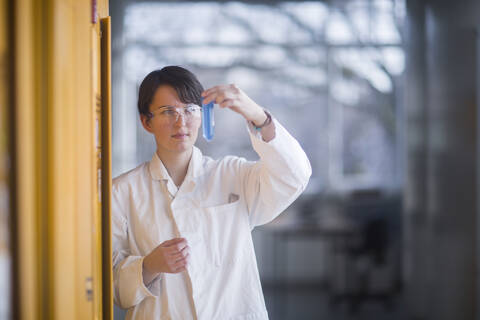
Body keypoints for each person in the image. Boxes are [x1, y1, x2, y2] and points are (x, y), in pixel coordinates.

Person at [112, 66, 311, 320]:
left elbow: (295, 175)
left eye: (190, 110)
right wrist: (149, 266)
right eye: (167, 111)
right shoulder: (122, 191)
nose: (181, 121)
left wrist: (259, 116)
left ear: (203, 115)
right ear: (146, 121)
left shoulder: (232, 175)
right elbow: (113, 288)